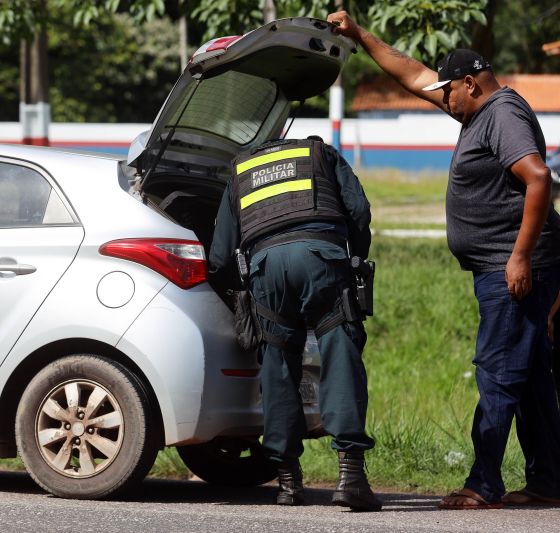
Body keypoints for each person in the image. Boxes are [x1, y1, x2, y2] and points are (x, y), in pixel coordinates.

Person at [327, 11, 560, 510]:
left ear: (470, 84)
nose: (444, 102)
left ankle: (483, 483)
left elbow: (539, 179)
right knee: (532, 374)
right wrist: (359, 35)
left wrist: (518, 259)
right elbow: (411, 74)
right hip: (505, 267)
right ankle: (548, 480)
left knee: (498, 371)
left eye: (449, 92)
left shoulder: (501, 114)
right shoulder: (479, 108)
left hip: (513, 270)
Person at [209, 135, 381, 511]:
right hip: (322, 257)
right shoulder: (319, 152)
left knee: (277, 366)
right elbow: (359, 210)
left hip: (266, 270)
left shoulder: (241, 170)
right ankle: (351, 479)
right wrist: (352, 258)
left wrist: (240, 292)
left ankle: (288, 485)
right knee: (340, 354)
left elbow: (220, 256)